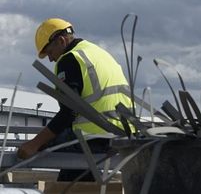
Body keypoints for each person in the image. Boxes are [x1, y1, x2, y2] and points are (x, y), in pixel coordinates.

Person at [17, 18, 132, 170]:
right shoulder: (98, 53)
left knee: (44, 151)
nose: (51, 59)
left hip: (94, 139)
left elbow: (69, 111)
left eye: (50, 52)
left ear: (61, 41)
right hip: (124, 138)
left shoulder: (70, 59)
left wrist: (34, 144)